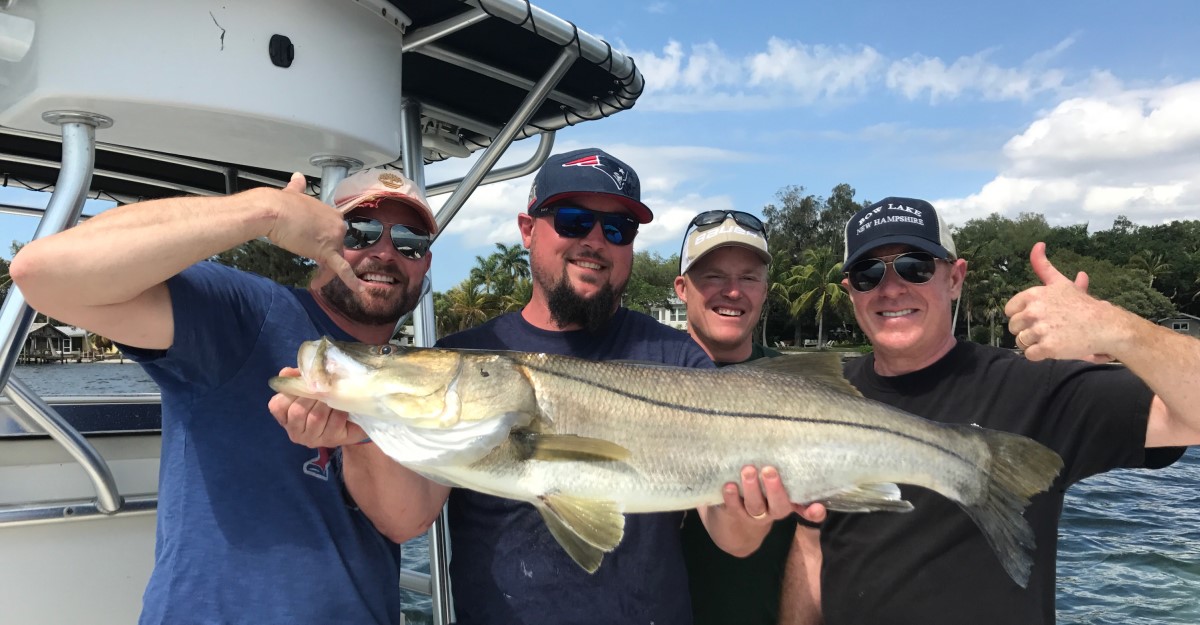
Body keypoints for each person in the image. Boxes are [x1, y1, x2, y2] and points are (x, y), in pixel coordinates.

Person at [270, 148, 805, 625]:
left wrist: (752, 511)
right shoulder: (469, 350)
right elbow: (405, 519)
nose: (595, 241)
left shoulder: (677, 357)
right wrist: (364, 426)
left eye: (618, 228)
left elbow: (732, 537)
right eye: (573, 220)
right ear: (528, 229)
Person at [10, 166, 440, 625]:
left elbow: (405, 521)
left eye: (410, 241)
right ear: (321, 237)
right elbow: (42, 273)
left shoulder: (426, 379)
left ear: (426, 263)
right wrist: (266, 210)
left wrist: (362, 431)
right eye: (360, 231)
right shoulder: (245, 311)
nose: (384, 252)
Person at [778, 196, 1200, 625]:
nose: (891, 289)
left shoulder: (1038, 386)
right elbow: (812, 549)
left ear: (955, 278)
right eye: (868, 275)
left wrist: (1115, 328)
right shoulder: (811, 397)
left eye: (914, 267)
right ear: (851, 292)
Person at [672, 210, 823, 625]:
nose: (733, 291)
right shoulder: (642, 371)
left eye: (749, 278)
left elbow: (817, 543)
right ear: (682, 289)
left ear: (765, 291)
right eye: (714, 276)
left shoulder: (806, 384)